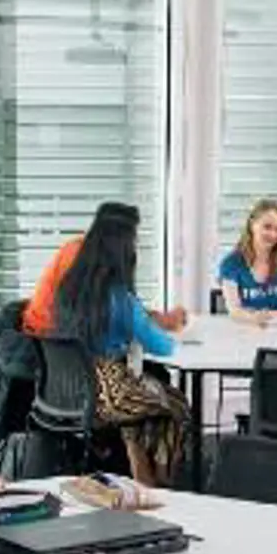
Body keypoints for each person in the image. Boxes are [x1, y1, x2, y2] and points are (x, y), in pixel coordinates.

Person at [54, 209, 189, 487]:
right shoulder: (120, 298)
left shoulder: (69, 289)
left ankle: (139, 461)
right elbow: (161, 346)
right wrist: (176, 333)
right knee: (176, 404)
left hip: (69, 389)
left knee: (152, 397)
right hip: (109, 394)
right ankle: (162, 481)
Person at [23, 202, 185, 337]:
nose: (136, 242)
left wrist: (158, 319)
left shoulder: (96, 257)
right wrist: (161, 322)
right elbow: (100, 315)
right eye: (132, 236)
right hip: (49, 342)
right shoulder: (79, 257)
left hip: (63, 339)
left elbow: (120, 308)